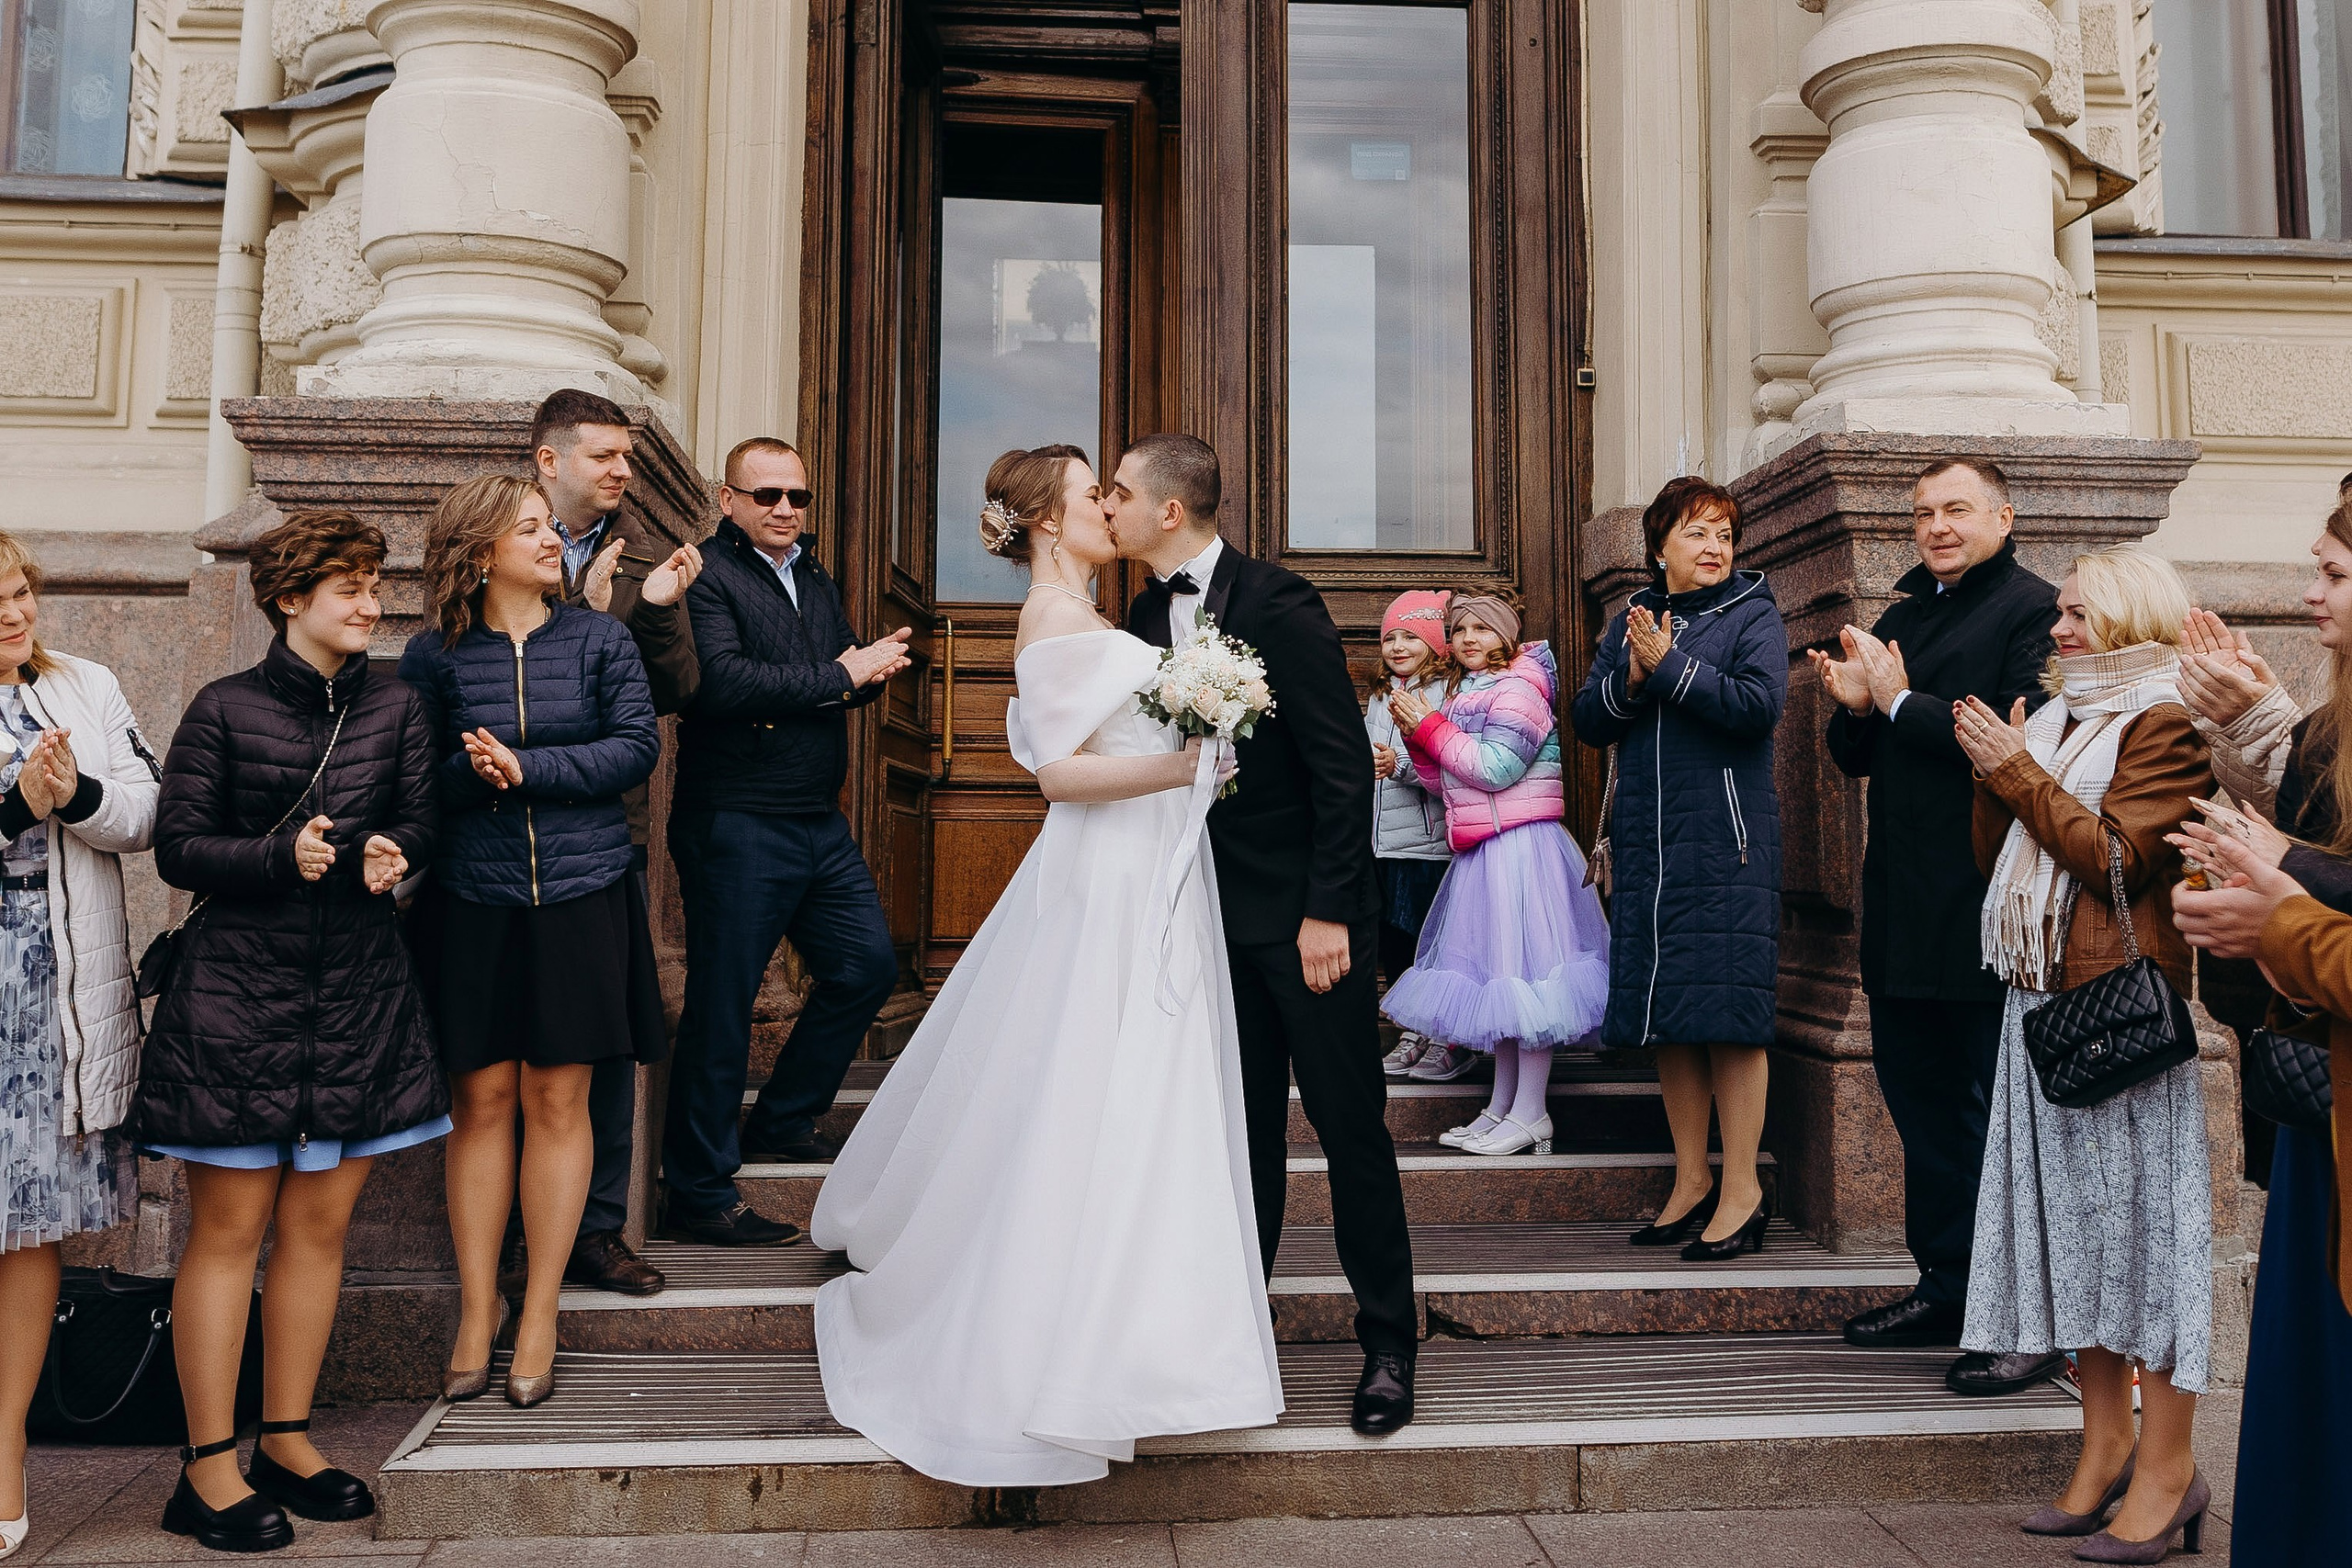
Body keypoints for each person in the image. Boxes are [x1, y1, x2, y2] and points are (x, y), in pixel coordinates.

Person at [809, 444, 1282, 1485]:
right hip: (1108, 875)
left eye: (1111, 494)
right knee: (1098, 1090)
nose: (1109, 510)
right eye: (1088, 497)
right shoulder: (1054, 621)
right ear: (1042, 522)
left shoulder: (1101, 620)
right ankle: (1068, 1340)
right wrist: (1188, 758)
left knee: (1145, 1095)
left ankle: (1150, 1343)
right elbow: (1064, 777)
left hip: (1151, 866)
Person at [140, 512, 443, 1553]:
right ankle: (207, 1470)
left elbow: (419, 812)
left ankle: (286, 1441)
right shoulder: (223, 708)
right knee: (228, 1234)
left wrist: (393, 852)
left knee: (319, 1230)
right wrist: (283, 858)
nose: (369, 603)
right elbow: (178, 847)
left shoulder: (400, 705)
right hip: (238, 1006)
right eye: (348, 587)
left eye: (372, 584)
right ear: (288, 600)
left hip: (358, 999)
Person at [1108, 431, 1419, 1435]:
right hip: (1206, 918)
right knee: (1235, 1139)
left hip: (1305, 919)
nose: (1105, 505)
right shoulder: (1139, 614)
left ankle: (1388, 1343)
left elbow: (1337, 766)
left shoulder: (1278, 602)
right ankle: (1239, 1333)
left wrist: (1329, 912)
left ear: (1168, 511)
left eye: (1119, 492)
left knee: (1348, 1129)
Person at [1950, 547, 2214, 1560]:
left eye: (2077, 615)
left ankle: (2170, 1468)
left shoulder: (2165, 723)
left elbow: (2115, 859)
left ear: (2131, 619)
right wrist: (2000, 778)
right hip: (2038, 1003)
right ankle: (2103, 1449)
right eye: (2057, 612)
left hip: (2116, 1017)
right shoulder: (2058, 721)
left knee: (2147, 1250)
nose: (2057, 631)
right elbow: (1999, 862)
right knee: (2077, 1246)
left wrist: (2013, 773)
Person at [399, 475, 661, 1411]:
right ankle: (479, 1309)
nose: (553, 541)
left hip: (584, 893)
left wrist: (528, 767)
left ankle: (541, 1309)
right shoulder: (432, 658)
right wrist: (473, 779)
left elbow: (636, 748)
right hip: (472, 897)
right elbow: (411, 782)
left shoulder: (601, 640)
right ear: (477, 551)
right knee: (482, 1100)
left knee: (559, 1098)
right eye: (530, 530)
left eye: (550, 527)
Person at [1811, 457, 2062, 1390]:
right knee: (1920, 1109)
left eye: (1956, 509)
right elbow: (1857, 755)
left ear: (2004, 511)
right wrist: (1854, 710)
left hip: (1988, 904)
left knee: (1994, 1116)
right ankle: (1946, 1285)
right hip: (1904, 905)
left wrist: (1898, 701)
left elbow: (2009, 737)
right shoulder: (1904, 613)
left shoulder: (2032, 610)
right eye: (1922, 513)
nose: (1936, 526)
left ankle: (2026, 1316)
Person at [662, 437, 911, 1244]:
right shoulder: (706, 574)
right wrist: (844, 674)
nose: (784, 510)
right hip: (734, 817)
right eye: (766, 494)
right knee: (723, 1005)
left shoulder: (812, 574)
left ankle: (783, 1117)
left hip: (815, 817)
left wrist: (864, 676)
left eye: (797, 496)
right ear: (726, 499)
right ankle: (698, 1191)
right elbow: (722, 684)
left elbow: (830, 676)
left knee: (866, 966)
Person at [2167, 500, 2352, 1564]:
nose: (2305, 596)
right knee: (2307, 1404)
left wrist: (2276, 901)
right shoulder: (2325, 725)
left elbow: (2313, 870)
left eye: (2329, 574)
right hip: (2321, 1114)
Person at [1571, 476, 1786, 1258]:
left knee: (1730, 1019)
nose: (1714, 549)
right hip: (1649, 849)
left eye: (1725, 535)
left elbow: (1758, 706)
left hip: (1724, 847)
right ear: (1659, 545)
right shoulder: (1634, 618)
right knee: (1670, 1018)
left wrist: (1669, 670)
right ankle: (1691, 1178)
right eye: (1697, 533)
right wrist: (1632, 674)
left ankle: (1742, 1188)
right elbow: (1591, 720)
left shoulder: (1753, 613)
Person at [522, 389, 705, 1298]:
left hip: (606, 834)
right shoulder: (499, 546)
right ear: (549, 461)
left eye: (626, 457)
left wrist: (659, 608)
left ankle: (595, 1230)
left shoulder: (639, 562)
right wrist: (582, 617)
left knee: (604, 1038)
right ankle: (506, 1238)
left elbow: (674, 689)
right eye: (603, 456)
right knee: (500, 1053)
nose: (622, 472)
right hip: (501, 836)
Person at [0, 530, 155, 1563]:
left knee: (29, 1223)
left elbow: (150, 810)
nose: (15, 614)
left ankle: (2, 1454)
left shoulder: (85, 683)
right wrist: (18, 802)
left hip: (54, 981)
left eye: (21, 592)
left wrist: (79, 799)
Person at [1380, 592, 1610, 1157]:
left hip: (1521, 847)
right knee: (1499, 980)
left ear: (1507, 637)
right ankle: (1501, 1106)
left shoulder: (1518, 689)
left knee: (1526, 977)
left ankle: (1532, 1112)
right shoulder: (1468, 693)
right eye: (1459, 630)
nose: (1468, 639)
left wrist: (1430, 727)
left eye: (1483, 629)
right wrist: (1419, 736)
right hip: (1486, 847)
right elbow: (1449, 783)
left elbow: (1495, 768)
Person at [1363, 590, 1458, 1080]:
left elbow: (1450, 770)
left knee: (1428, 939)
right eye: (1390, 637)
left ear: (1435, 642)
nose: (1398, 646)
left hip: (1428, 846)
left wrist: (1398, 765)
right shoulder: (1380, 695)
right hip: (1385, 844)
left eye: (1410, 636)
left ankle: (1442, 1033)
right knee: (1397, 942)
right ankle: (1410, 1030)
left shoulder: (1444, 694)